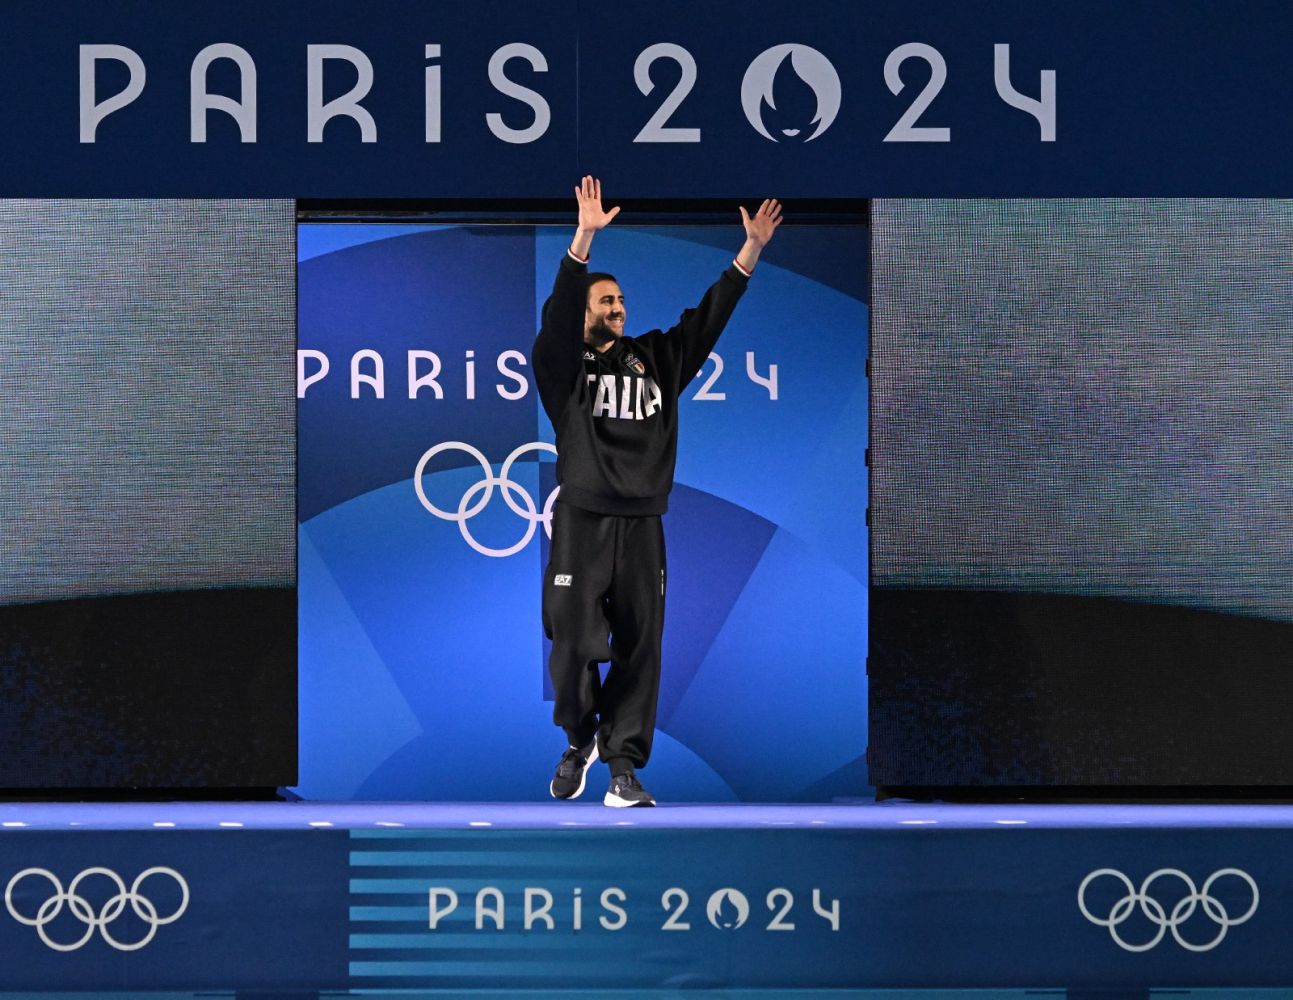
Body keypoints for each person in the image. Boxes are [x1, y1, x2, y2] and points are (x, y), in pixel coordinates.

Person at [531, 176, 782, 807]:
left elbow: (705, 322)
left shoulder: (654, 359)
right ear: (582, 313)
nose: (617, 308)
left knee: (641, 647)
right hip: (583, 521)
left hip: (644, 523)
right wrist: (583, 239)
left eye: (620, 300)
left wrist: (749, 251)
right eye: (605, 302)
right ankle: (579, 736)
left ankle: (622, 768)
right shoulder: (563, 368)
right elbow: (557, 318)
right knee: (571, 640)